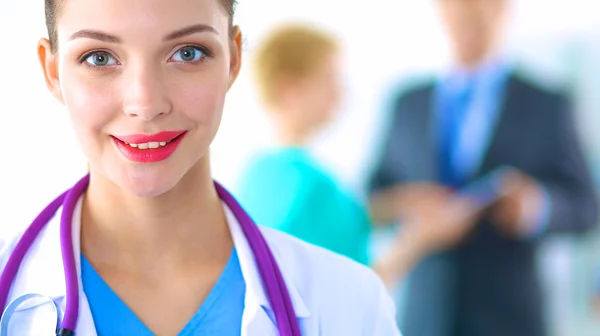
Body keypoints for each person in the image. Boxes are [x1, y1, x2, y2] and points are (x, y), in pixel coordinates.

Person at [0, 1, 402, 335]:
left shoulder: (351, 305)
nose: (146, 102)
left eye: (187, 53)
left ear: (233, 59)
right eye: (99, 57)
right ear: (52, 72)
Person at [368, 0, 599, 336]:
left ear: (503, 11)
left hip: (510, 318)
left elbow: (585, 207)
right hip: (423, 317)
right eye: (455, 10)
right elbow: (375, 194)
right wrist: (406, 206)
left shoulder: (547, 103)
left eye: (477, 10)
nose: (465, 21)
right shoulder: (407, 103)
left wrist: (537, 208)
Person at [236, 23, 482, 288]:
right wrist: (419, 240)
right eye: (329, 80)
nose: (341, 95)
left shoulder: (258, 173)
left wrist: (390, 208)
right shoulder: (312, 186)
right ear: (289, 89)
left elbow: (312, 231)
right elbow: (355, 295)